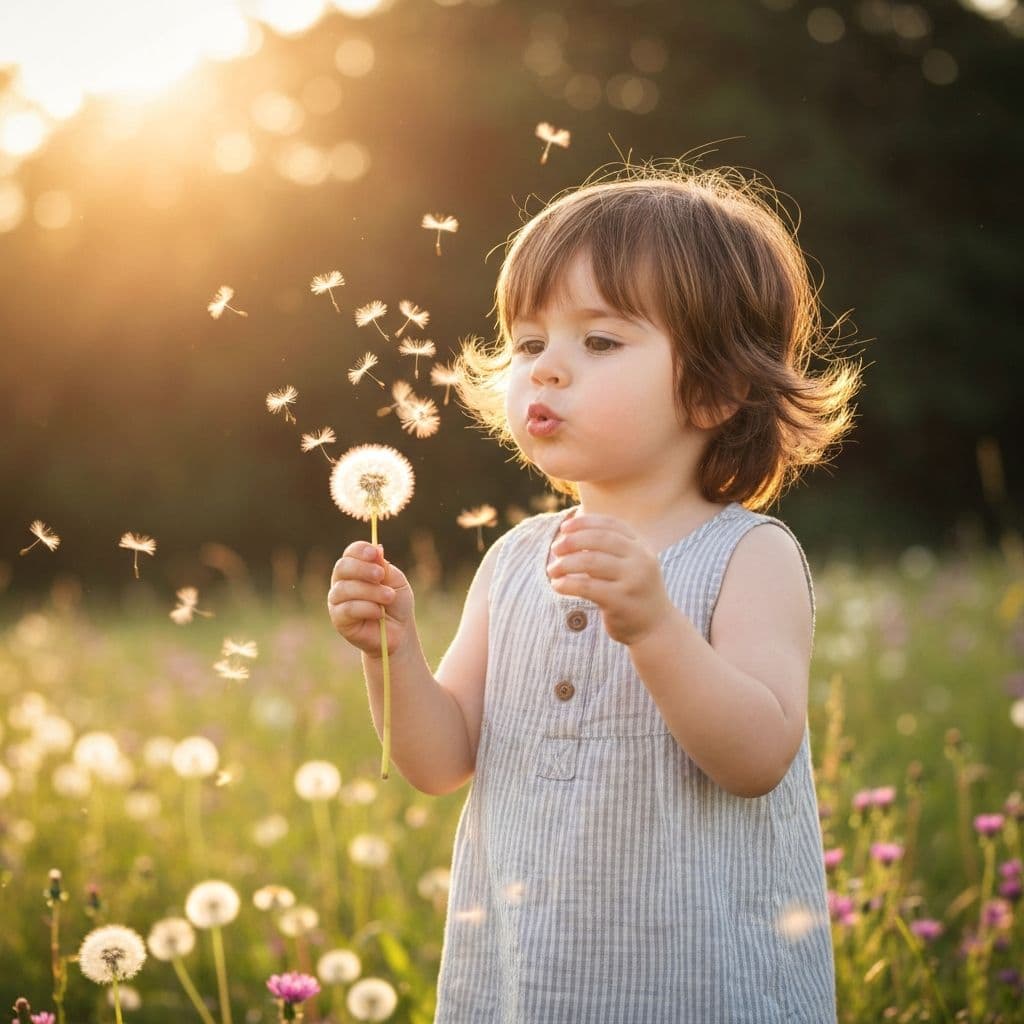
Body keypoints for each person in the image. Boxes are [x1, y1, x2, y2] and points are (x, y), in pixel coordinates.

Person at [327, 160, 863, 1023]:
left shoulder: (747, 555)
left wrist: (653, 625)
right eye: (531, 344)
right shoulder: (512, 562)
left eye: (600, 342)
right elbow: (438, 762)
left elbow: (758, 757)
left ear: (718, 386)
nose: (546, 370)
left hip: (701, 987)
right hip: (530, 987)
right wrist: (392, 652)